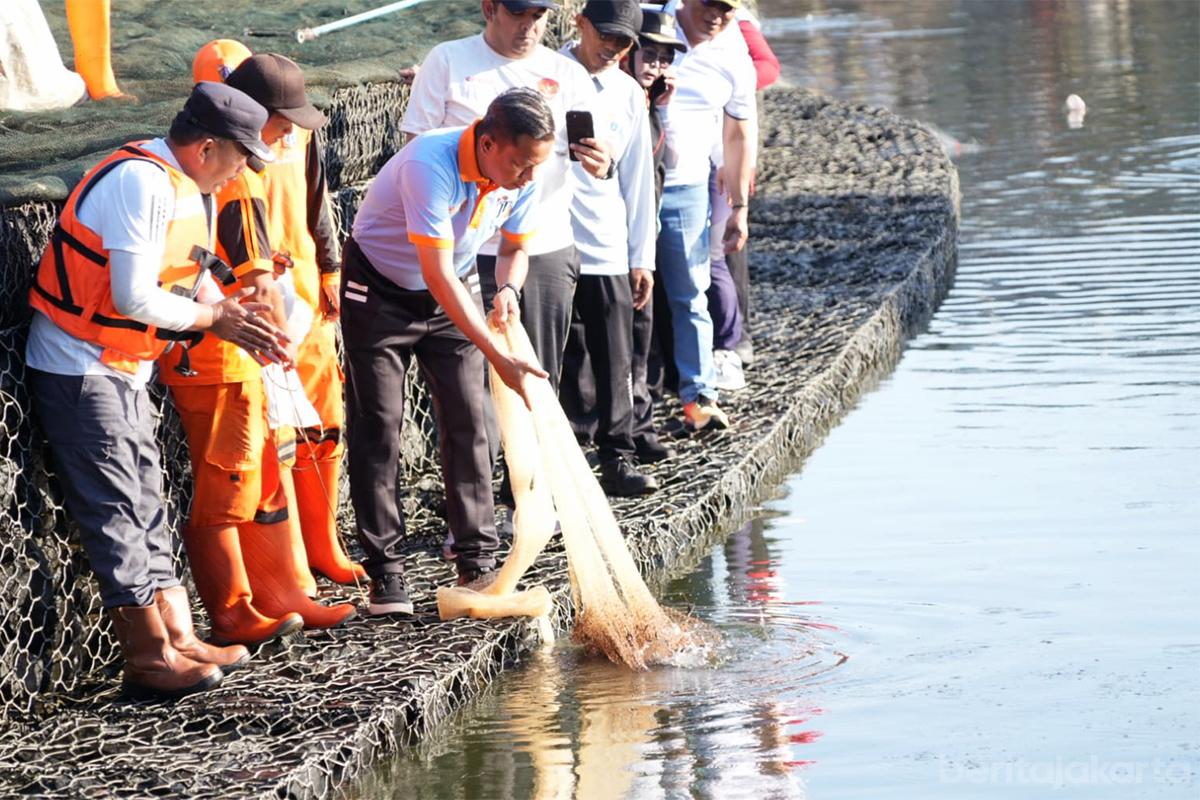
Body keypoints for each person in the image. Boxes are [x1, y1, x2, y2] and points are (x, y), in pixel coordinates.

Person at [25, 82, 290, 698]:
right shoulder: (140, 183)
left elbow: (191, 276)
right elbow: (133, 296)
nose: (244, 170)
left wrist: (235, 316)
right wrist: (216, 321)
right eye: (241, 157)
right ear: (204, 148)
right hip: (79, 368)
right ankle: (148, 657)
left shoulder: (188, 185)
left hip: (125, 367)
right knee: (115, 510)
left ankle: (180, 634)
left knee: (148, 499)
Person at [164, 47, 357, 646]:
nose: (290, 133)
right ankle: (233, 609)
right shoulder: (235, 178)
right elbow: (256, 280)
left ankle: (283, 589)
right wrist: (284, 334)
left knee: (268, 470)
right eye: (283, 120)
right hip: (223, 350)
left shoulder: (241, 162)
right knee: (231, 480)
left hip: (247, 345)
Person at [343, 88, 552, 613]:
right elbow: (433, 273)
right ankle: (386, 572)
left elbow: (513, 248)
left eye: (535, 167)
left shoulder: (523, 172)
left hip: (454, 285)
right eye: (520, 165)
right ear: (487, 143)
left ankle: (476, 558)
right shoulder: (428, 165)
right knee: (380, 423)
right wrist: (498, 357)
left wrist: (507, 290)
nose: (528, 178)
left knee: (468, 418)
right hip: (380, 289)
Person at [401, 0, 610, 395]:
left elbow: (601, 152)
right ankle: (489, 459)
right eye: (518, 14)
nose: (529, 26)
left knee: (539, 378)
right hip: (463, 252)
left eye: (539, 16)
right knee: (473, 384)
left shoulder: (569, 74)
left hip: (543, 245)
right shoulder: (447, 60)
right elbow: (416, 150)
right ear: (488, 8)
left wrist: (602, 161)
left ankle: (537, 458)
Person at [558, 0, 659, 496]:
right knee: (569, 358)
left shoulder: (627, 91)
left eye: (624, 43)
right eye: (607, 37)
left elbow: (640, 179)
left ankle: (617, 456)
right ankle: (574, 457)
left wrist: (643, 256)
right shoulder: (547, 74)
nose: (614, 50)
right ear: (581, 24)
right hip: (550, 239)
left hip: (606, 242)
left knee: (615, 356)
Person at [655, 0, 756, 431]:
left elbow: (738, 136)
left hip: (688, 185)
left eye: (728, 8)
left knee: (692, 292)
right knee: (621, 300)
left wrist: (739, 207)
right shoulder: (649, 24)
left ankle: (699, 396)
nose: (716, 14)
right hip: (626, 183)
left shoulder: (733, 57)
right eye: (709, 3)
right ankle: (627, 400)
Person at [623, 7, 686, 464]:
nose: (656, 65)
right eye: (650, 53)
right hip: (606, 239)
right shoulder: (612, 95)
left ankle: (640, 424)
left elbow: (673, 162)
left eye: (666, 57)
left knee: (641, 335)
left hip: (646, 235)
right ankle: (605, 434)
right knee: (599, 343)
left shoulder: (652, 105)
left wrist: (662, 108)